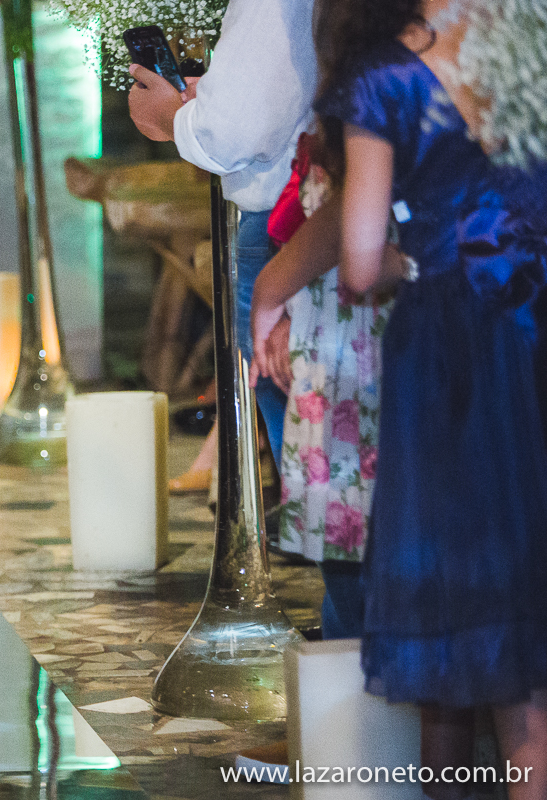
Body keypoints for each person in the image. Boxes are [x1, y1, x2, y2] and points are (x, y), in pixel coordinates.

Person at [312, 1, 547, 796]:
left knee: (449, 614)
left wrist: (417, 267)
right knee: (529, 645)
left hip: (451, 363)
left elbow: (359, 262)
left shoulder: (386, 78)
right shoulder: (531, 50)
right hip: (533, 331)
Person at [128, 0, 318, 490]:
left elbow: (234, 129)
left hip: (290, 221)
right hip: (323, 214)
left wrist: (175, 118)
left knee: (314, 452)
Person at [249, 133, 391, 641]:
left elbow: (360, 249)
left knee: (366, 522)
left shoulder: (373, 92)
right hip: (334, 328)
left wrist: (273, 288)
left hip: (362, 343)